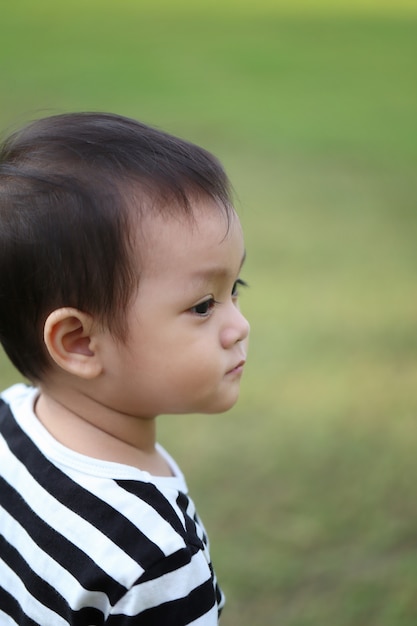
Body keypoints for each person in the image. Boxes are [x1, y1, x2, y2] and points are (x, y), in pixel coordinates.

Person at [0, 112, 250, 625]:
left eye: (236, 290)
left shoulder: (9, 418)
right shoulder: (156, 552)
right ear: (80, 344)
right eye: (204, 306)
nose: (239, 327)